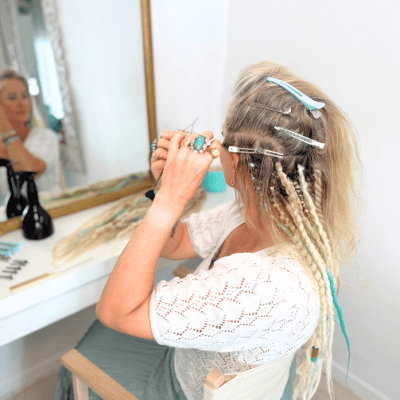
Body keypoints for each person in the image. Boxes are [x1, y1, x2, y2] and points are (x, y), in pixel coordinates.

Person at [55, 61, 361, 400]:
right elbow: (177, 244)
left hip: (181, 390)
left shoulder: (268, 285)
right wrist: (165, 188)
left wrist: (170, 201)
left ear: (241, 162)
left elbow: (114, 312)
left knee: (81, 351)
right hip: (189, 355)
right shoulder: (254, 212)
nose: (217, 143)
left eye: (224, 137)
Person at [0, 69, 61, 203]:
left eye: (25, 95)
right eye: (12, 97)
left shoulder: (45, 137)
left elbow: (29, 170)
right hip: (13, 213)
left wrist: (6, 130)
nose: (21, 103)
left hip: (51, 209)